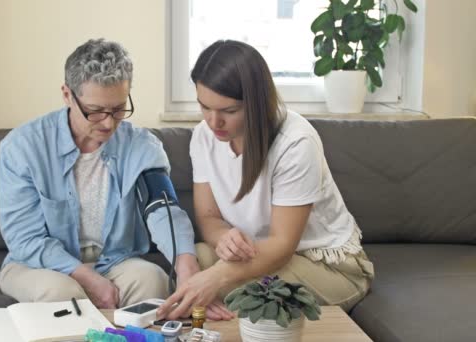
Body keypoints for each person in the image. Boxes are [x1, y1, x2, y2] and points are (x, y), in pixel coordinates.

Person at [157, 40, 375, 320]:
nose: (213, 122)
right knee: (190, 263)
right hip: (259, 256)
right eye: (204, 107)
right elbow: (208, 216)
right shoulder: (203, 136)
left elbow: (282, 246)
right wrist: (223, 238)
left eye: (229, 111)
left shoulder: (295, 141)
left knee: (236, 293)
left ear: (257, 102)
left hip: (325, 265)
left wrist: (216, 279)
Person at [0, 39, 201, 309]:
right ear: (67, 95)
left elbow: (163, 210)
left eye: (118, 110)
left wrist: (185, 263)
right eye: (94, 112)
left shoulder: (142, 146)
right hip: (38, 266)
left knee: (152, 279)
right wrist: (86, 277)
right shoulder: (22, 147)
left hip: (115, 260)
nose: (108, 123)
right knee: (61, 294)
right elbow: (25, 239)